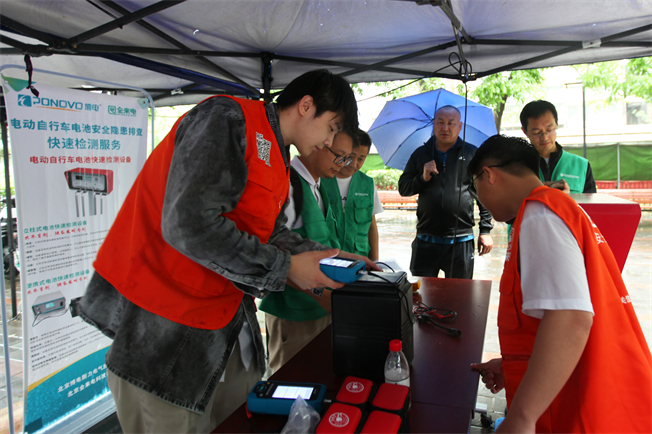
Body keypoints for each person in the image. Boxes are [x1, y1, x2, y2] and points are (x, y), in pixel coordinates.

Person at [78, 69, 378, 434]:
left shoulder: (278, 155)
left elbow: (268, 232)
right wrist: (285, 267)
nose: (330, 142)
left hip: (222, 328)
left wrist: (330, 257)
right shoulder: (227, 118)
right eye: (331, 128)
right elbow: (189, 223)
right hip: (163, 337)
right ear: (305, 105)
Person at [469, 135, 651, 434]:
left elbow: (571, 318)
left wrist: (521, 417)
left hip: (583, 406)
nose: (480, 200)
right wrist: (514, 365)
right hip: (590, 386)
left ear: (488, 175)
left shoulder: (540, 215)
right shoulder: (556, 208)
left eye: (475, 187)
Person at [259, 129, 355, 373]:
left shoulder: (321, 186)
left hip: (323, 309)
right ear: (319, 143)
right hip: (294, 313)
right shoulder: (287, 186)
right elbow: (271, 254)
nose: (343, 164)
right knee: (290, 380)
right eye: (339, 155)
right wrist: (324, 298)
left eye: (347, 158)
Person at [398, 105, 493, 279]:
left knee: (459, 292)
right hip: (426, 239)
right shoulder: (420, 154)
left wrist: (485, 230)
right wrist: (422, 178)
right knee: (422, 292)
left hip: (461, 240)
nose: (445, 128)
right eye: (440, 122)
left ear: (460, 126)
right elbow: (404, 188)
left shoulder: (472, 154)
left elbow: (484, 194)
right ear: (433, 124)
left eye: (451, 123)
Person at [321, 129, 383, 261]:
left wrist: (375, 262)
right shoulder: (320, 180)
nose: (354, 164)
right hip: (326, 259)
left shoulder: (367, 184)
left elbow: (372, 227)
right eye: (350, 157)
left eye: (361, 159)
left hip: (359, 260)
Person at [520, 100, 597, 194]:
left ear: (556, 124)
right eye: (536, 133)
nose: (545, 138)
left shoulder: (581, 165)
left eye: (549, 130)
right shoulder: (516, 167)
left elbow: (590, 202)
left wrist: (564, 199)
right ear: (525, 132)